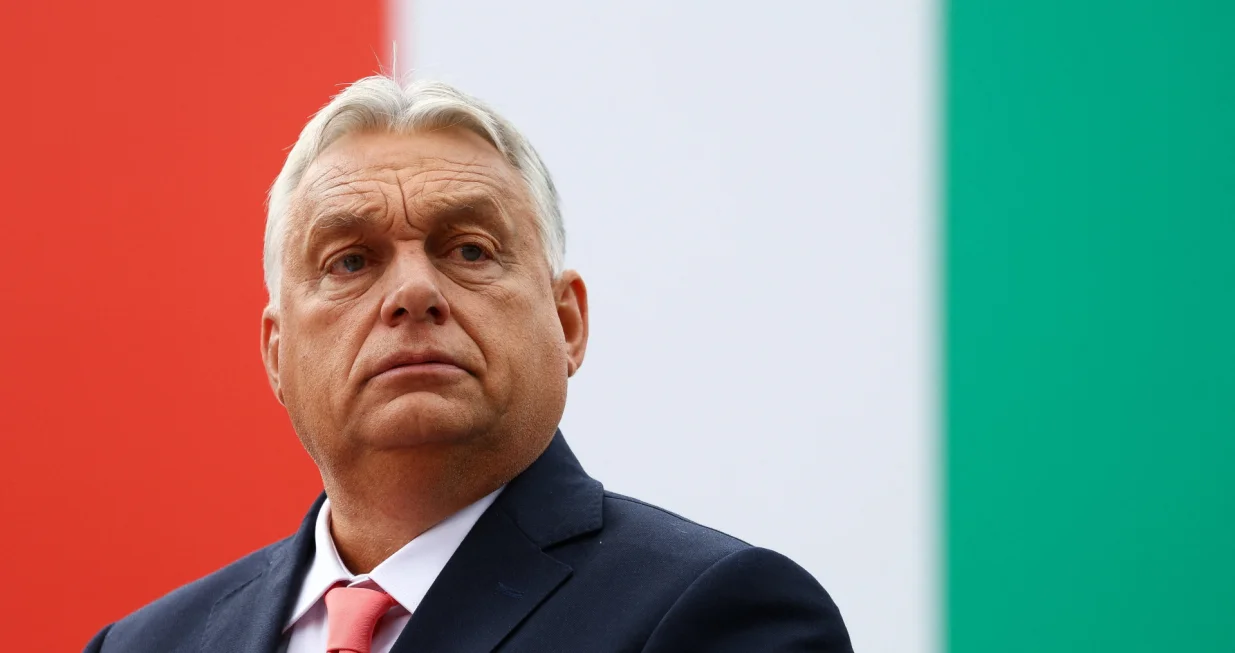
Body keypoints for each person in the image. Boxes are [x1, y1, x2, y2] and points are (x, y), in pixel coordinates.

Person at [84, 75, 853, 653]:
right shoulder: (144, 644)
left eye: (469, 250)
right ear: (276, 353)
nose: (412, 291)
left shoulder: (718, 612)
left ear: (567, 320)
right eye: (350, 260)